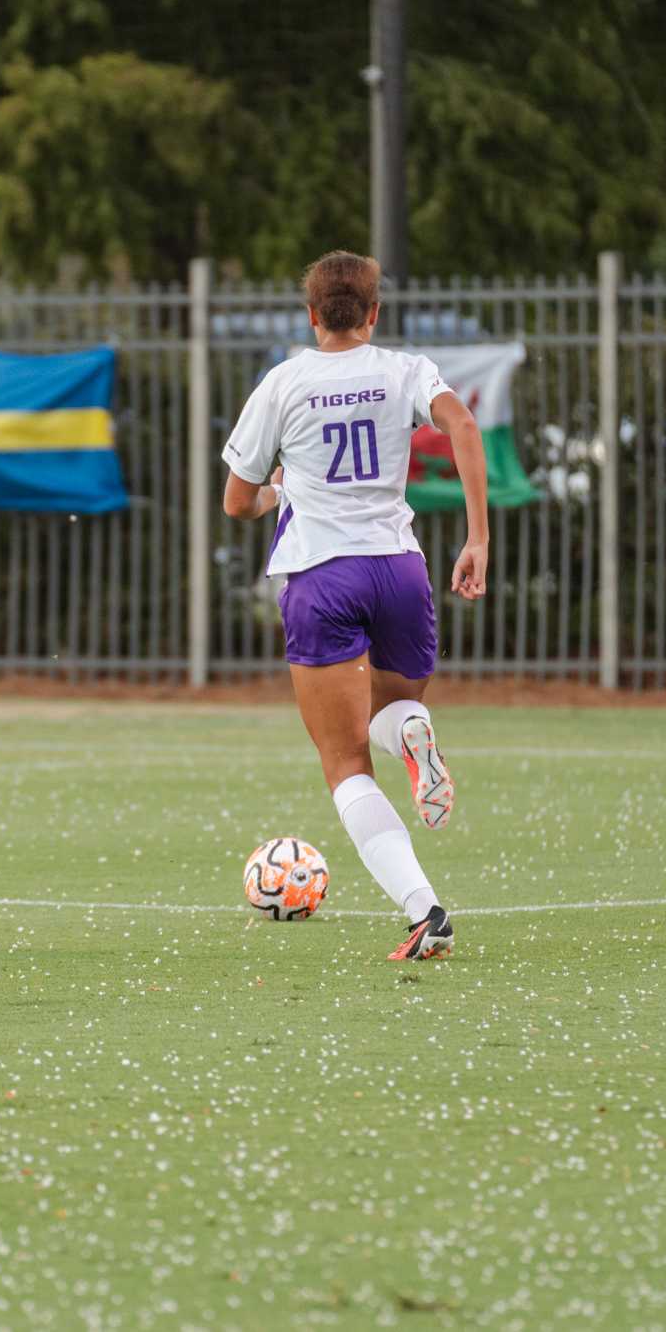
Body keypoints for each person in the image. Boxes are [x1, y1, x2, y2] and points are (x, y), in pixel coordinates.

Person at [221, 250, 488, 961]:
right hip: (399, 569)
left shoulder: (284, 382)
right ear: (373, 313)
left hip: (321, 576)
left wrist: (280, 489)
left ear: (312, 316)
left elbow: (237, 501)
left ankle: (425, 910)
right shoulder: (403, 369)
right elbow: (462, 426)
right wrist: (477, 539)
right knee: (388, 715)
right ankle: (414, 735)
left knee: (344, 762)